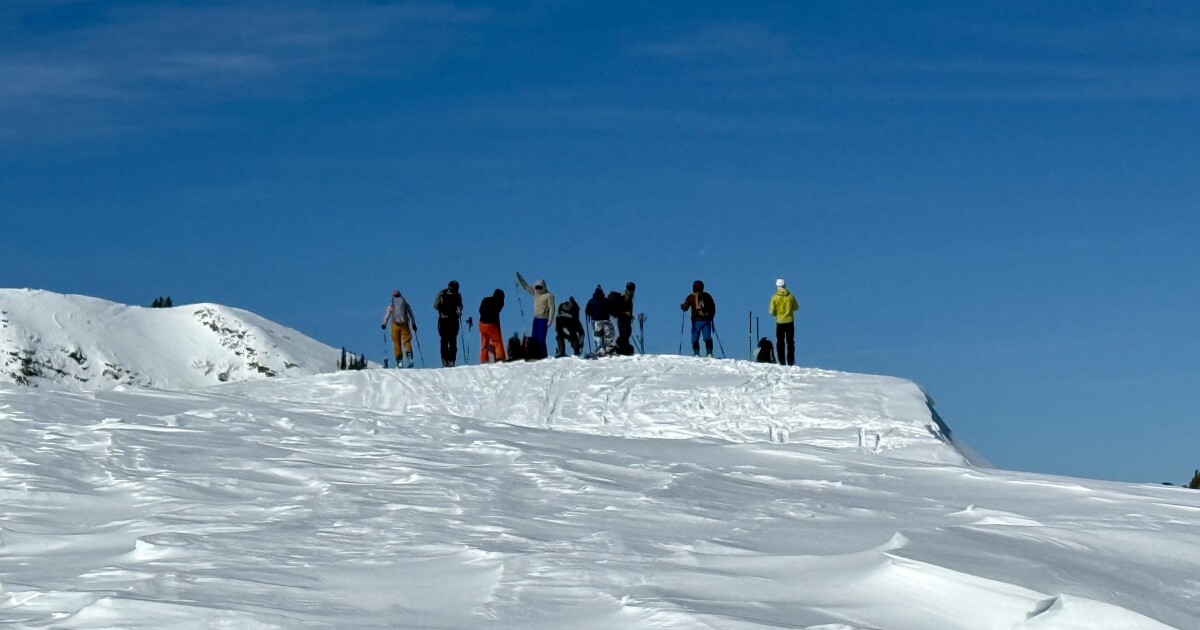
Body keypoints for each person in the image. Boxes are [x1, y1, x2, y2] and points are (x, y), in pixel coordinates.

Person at [515, 272, 554, 359]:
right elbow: (526, 287)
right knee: (534, 337)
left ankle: (543, 353)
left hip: (543, 320)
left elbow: (552, 308)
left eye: (540, 287)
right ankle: (535, 353)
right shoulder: (536, 293)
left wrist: (550, 319)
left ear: (543, 287)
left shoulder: (549, 296)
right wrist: (520, 279)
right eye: (537, 287)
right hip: (536, 319)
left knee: (541, 338)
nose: (538, 289)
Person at [381, 290, 417, 368]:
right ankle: (410, 357)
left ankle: (399, 361)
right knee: (406, 341)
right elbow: (411, 314)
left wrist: (384, 324)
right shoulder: (405, 303)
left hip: (395, 324)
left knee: (396, 342)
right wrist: (414, 324)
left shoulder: (391, 304)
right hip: (405, 324)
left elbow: (387, 315)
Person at [680, 280, 716, 357]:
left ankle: (696, 353)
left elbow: (685, 307)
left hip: (696, 321)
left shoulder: (691, 297)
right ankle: (709, 353)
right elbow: (713, 307)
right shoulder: (707, 296)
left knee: (695, 338)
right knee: (707, 337)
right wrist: (711, 316)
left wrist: (682, 306)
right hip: (707, 320)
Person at [768, 278, 799, 366]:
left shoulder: (774, 298)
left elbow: (771, 312)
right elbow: (796, 308)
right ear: (785, 285)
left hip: (779, 322)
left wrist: (777, 314)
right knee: (790, 342)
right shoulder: (791, 296)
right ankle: (791, 361)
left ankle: (782, 361)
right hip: (790, 322)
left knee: (780, 342)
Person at [434, 280, 463, 367]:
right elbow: (460, 307)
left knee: (444, 341)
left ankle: (444, 360)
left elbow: (436, 305)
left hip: (443, 320)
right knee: (453, 341)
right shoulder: (458, 295)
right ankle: (452, 360)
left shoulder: (442, 293)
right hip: (454, 321)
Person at [585, 285, 615, 357]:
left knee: (599, 337)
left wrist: (588, 315)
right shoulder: (606, 300)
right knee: (609, 335)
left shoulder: (591, 301)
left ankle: (600, 350)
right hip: (606, 321)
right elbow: (611, 310)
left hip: (596, 321)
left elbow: (587, 311)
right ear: (602, 293)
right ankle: (609, 348)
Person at [478, 289, 506, 364]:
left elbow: (480, 310)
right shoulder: (499, 302)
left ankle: (484, 360)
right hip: (491, 325)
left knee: (484, 343)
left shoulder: (485, 300)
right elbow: (496, 313)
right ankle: (499, 358)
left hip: (481, 324)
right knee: (497, 341)